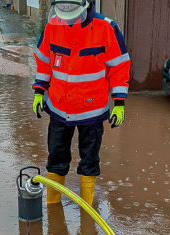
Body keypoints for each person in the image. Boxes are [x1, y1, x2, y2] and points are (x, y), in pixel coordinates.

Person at [33, 0, 130, 206]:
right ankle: (53, 205)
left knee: (89, 161)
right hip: (59, 109)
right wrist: (39, 91)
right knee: (56, 160)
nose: (67, 20)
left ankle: (87, 210)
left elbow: (119, 67)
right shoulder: (52, 25)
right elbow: (44, 61)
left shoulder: (107, 28)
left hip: (92, 112)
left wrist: (119, 103)